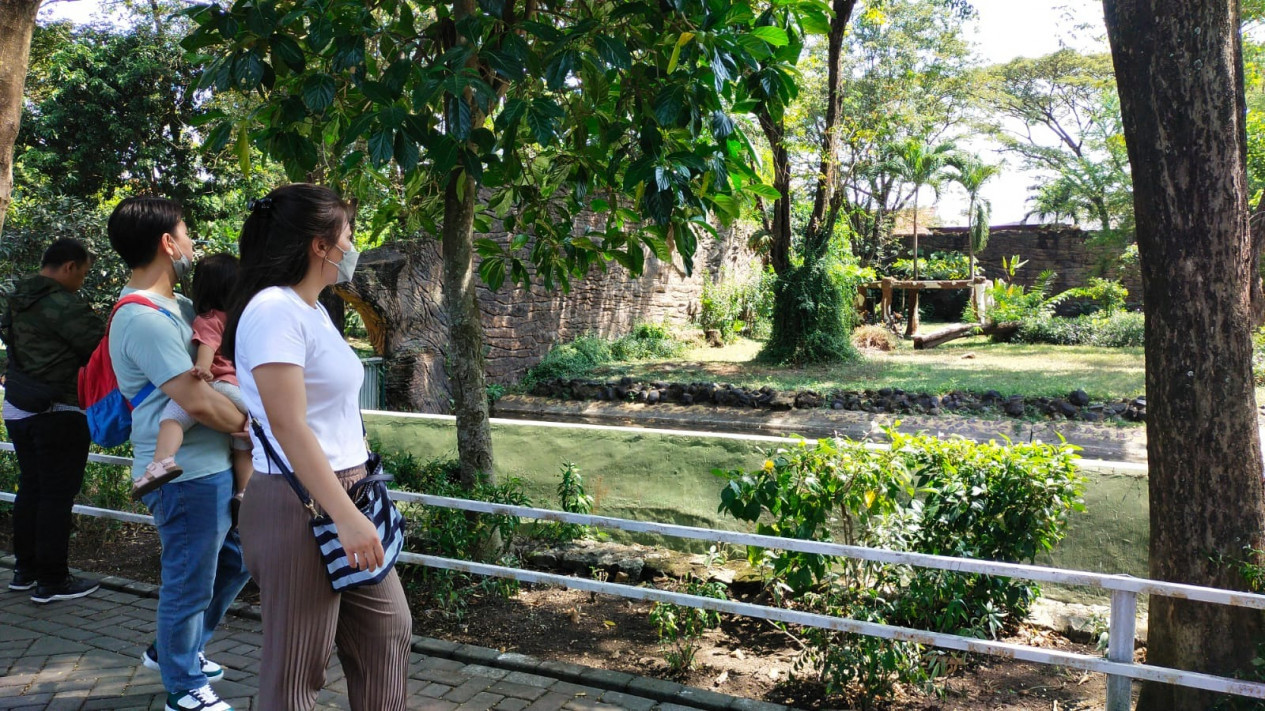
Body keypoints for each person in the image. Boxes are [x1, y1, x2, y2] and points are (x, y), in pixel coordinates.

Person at [228, 184, 410, 710]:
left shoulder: (312, 310)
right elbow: (289, 426)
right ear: (319, 245)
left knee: (386, 634)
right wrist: (346, 516)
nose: (353, 246)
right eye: (347, 236)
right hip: (299, 502)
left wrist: (354, 509)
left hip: (346, 493)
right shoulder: (273, 310)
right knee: (297, 673)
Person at [106, 196, 251, 711]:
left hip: (213, 465)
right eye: (186, 232)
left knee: (236, 562)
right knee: (189, 582)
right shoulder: (142, 317)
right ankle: (183, 687)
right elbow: (195, 400)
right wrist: (259, 428)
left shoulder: (183, 308)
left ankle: (173, 650)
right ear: (168, 243)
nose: (193, 242)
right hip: (185, 474)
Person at [1, 238, 105, 603]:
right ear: (69, 267)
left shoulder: (17, 300)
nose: (82, 282)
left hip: (18, 406)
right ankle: (52, 581)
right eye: (84, 273)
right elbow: (99, 344)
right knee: (57, 497)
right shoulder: (62, 303)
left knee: (32, 488)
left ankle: (24, 571)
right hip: (57, 409)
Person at [134, 254, 252, 514]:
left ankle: (161, 462)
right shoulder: (242, 317)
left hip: (220, 385)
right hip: (242, 391)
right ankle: (244, 492)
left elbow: (208, 345)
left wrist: (202, 367)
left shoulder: (208, 318)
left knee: (172, 418)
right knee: (244, 444)